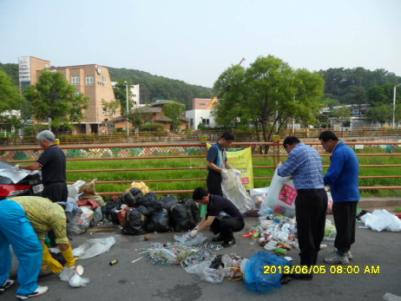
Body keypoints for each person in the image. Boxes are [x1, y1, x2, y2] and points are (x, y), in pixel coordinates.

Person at [277, 136, 327, 280]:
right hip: (321, 194)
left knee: (305, 233)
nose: (287, 153)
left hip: (307, 196)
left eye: (286, 150)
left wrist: (281, 166)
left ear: (288, 145)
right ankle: (311, 263)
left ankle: (305, 272)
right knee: (317, 230)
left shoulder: (296, 152)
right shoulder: (313, 150)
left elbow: (282, 172)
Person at [319, 131, 359, 265]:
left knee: (342, 225)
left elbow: (332, 174)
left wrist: (318, 182)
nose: (323, 147)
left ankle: (341, 254)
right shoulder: (346, 149)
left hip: (344, 195)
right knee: (348, 225)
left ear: (330, 141)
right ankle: (346, 250)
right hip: (350, 194)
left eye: (323, 144)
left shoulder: (339, 153)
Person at [10, 196, 77, 275]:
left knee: (35, 244)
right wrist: (70, 262)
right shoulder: (59, 216)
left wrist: (46, 258)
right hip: (12, 214)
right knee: (25, 246)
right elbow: (62, 242)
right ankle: (28, 280)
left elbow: (39, 235)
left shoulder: (49, 206)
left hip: (8, 206)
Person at [0, 198, 48, 299]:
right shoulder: (54, 212)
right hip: (5, 208)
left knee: (1, 248)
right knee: (31, 249)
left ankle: (1, 280)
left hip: (5, 207)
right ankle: (28, 289)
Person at [23, 130, 67, 203]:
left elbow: (34, 167)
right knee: (61, 210)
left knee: (50, 211)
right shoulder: (59, 151)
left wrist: (20, 168)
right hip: (63, 187)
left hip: (52, 188)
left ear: (44, 141)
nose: (40, 146)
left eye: (40, 143)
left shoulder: (48, 152)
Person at [206, 132, 235, 196]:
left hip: (221, 176)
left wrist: (233, 170)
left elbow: (225, 162)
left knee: (221, 196)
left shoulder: (223, 149)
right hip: (213, 177)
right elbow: (210, 164)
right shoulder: (214, 148)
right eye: (229, 142)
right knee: (215, 197)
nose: (229, 145)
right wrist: (222, 170)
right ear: (223, 139)